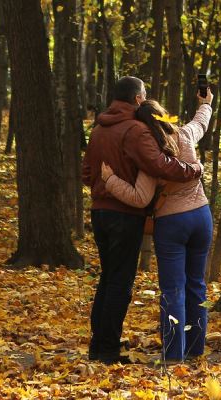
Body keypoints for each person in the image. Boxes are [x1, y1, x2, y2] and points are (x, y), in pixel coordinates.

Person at [82, 76, 203, 365]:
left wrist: (104, 185)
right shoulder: (135, 130)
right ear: (138, 99)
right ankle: (108, 350)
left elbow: (87, 173)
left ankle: (99, 346)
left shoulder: (98, 129)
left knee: (108, 278)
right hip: (125, 214)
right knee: (119, 283)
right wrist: (193, 170)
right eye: (144, 95)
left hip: (100, 211)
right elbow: (158, 164)